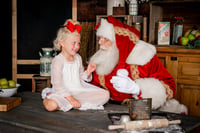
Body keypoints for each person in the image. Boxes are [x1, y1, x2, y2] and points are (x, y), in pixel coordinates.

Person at [88, 16, 187, 114]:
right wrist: (86, 76)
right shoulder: (101, 57)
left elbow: (169, 87)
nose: (100, 42)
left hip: (140, 111)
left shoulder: (144, 57)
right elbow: (92, 87)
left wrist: (137, 88)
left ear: (119, 42)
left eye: (106, 39)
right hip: (107, 110)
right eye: (100, 38)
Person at [41, 19, 109, 112]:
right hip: (62, 93)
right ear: (62, 43)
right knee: (51, 106)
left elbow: (80, 77)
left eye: (78, 43)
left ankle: (71, 104)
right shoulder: (58, 60)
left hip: (77, 91)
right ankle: (49, 99)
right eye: (73, 43)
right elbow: (58, 85)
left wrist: (88, 72)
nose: (77, 46)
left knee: (105, 95)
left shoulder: (78, 58)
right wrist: (70, 98)